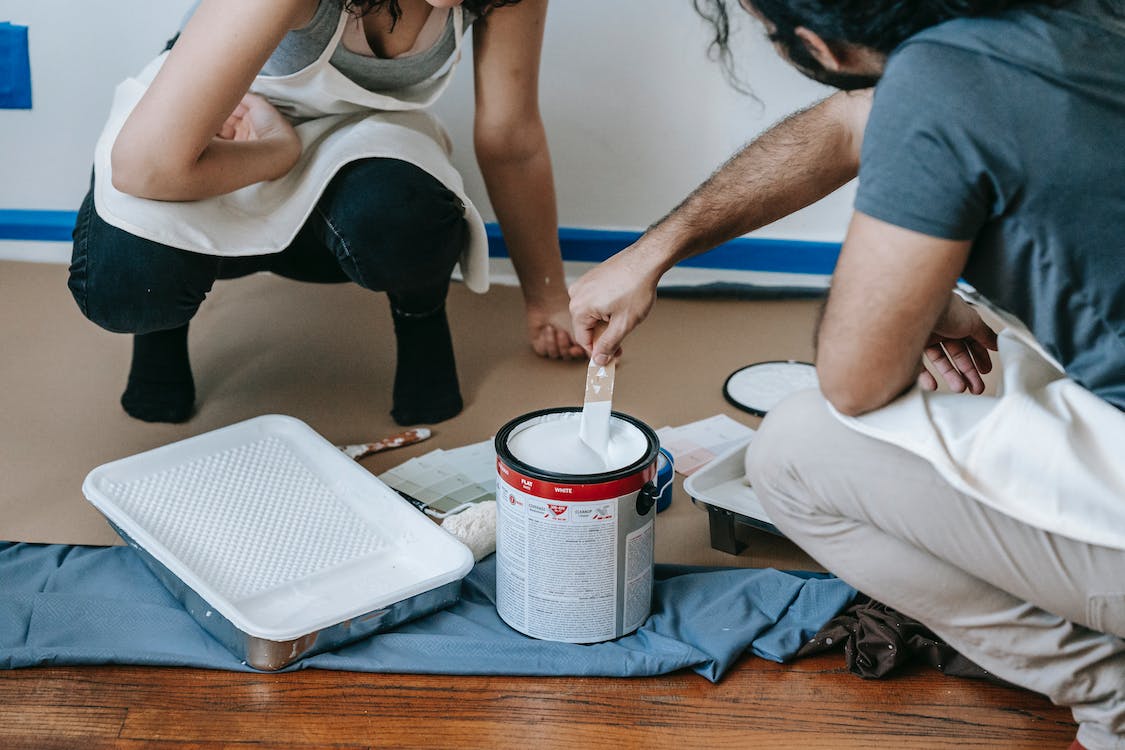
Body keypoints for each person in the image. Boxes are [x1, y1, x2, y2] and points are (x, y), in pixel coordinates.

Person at [567, 1, 1125, 747]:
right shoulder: (1056, 19)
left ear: (816, 46)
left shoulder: (938, 86)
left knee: (792, 452)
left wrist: (911, 300)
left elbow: (854, 380)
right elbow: (844, 125)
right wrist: (652, 252)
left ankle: (1110, 695)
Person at [69, 0, 583, 426]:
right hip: (224, 132)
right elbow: (148, 167)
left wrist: (547, 298)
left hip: (359, 131)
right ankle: (161, 330)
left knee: (405, 219)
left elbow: (510, 139)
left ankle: (420, 314)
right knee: (128, 280)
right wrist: (276, 151)